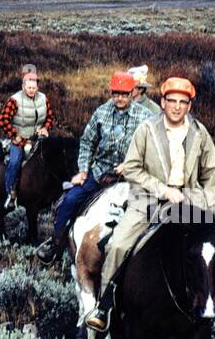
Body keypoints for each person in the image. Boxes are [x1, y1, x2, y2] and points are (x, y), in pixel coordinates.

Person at [85, 76, 215, 332]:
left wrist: (214, 211)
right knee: (119, 243)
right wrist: (162, 189)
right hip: (148, 200)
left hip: (190, 201)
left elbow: (214, 175)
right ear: (162, 102)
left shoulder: (199, 133)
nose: (176, 107)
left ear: (189, 105)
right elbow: (132, 167)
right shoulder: (146, 129)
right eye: (171, 101)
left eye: (182, 102)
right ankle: (105, 303)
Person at [36, 71, 152, 265]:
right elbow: (88, 142)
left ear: (132, 93)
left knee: (148, 211)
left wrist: (131, 164)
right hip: (101, 173)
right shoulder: (102, 112)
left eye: (124, 94)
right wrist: (83, 171)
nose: (119, 98)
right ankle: (55, 244)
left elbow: (151, 147)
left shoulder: (144, 116)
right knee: (70, 200)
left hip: (130, 177)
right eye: (116, 93)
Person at [0, 64, 54, 210]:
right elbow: (2, 120)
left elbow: (50, 117)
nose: (32, 91)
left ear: (38, 88)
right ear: (23, 87)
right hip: (20, 140)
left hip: (38, 139)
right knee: (15, 162)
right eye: (29, 88)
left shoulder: (43, 98)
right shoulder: (14, 100)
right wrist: (14, 135)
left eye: (34, 88)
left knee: (53, 159)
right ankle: (10, 193)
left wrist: (45, 128)